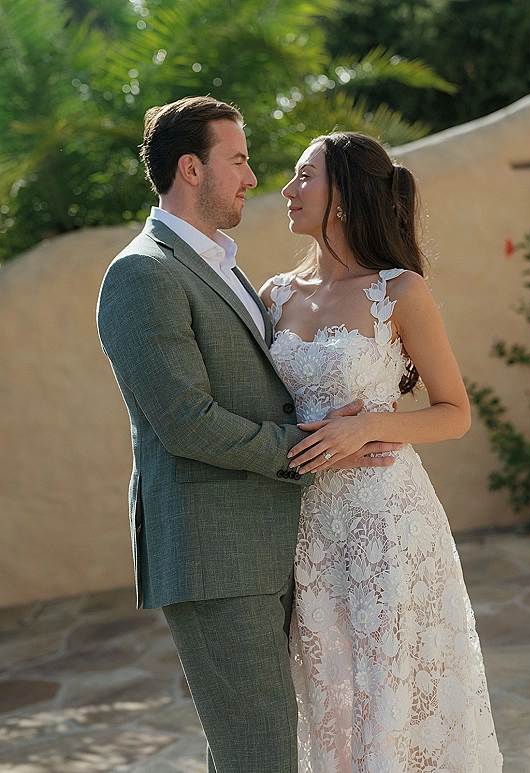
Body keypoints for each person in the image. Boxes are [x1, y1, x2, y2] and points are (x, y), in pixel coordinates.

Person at [96, 98, 400, 773]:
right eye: (237, 160)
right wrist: (317, 449)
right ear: (190, 168)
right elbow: (186, 422)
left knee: (251, 748)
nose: (253, 177)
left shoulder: (222, 267)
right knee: (259, 751)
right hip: (214, 557)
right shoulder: (142, 272)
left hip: (263, 546)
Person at [260, 132, 503, 773]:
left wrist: (366, 426)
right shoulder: (273, 296)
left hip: (386, 524)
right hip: (304, 528)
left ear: (342, 194)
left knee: (386, 701)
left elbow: (455, 412)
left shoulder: (400, 292)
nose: (287, 190)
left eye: (304, 176)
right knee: (329, 705)